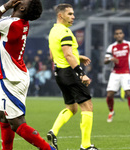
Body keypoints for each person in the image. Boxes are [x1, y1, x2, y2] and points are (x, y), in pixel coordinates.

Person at [0, 0, 56, 150]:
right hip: (11, 76)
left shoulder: (11, 23)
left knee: (17, 123)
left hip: (12, 79)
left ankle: (49, 149)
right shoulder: (21, 23)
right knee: (3, 117)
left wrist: (6, 6)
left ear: (22, 7)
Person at [47, 4, 98, 150]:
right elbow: (68, 54)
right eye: (69, 14)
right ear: (60, 15)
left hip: (59, 73)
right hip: (70, 73)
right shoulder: (66, 32)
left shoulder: (53, 31)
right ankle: (86, 145)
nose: (73, 16)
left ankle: (53, 131)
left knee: (71, 107)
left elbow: (53, 55)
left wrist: (78, 56)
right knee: (87, 106)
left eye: (73, 14)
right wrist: (82, 74)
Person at [104, 28, 130, 122]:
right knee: (110, 95)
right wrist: (110, 59)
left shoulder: (128, 44)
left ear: (123, 35)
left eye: (120, 33)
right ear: (114, 36)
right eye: (117, 34)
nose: (119, 35)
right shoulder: (111, 47)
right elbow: (105, 61)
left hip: (126, 72)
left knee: (128, 93)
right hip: (115, 73)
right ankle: (111, 111)